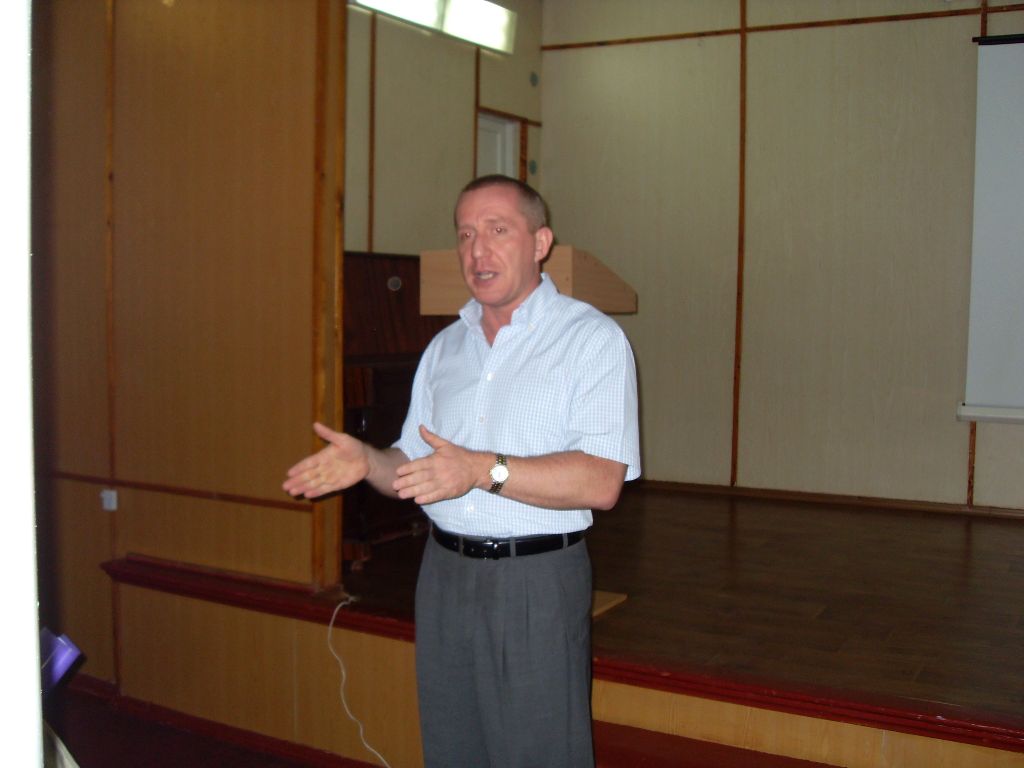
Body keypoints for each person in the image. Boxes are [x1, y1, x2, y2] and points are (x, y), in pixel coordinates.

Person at [283, 174, 641, 768]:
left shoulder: (591, 340)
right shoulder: (445, 347)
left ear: (541, 243)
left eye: (498, 230)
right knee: (453, 749)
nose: (478, 250)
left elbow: (601, 481)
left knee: (540, 755)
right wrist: (368, 461)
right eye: (466, 234)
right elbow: (412, 465)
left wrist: (480, 469)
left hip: (535, 580)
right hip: (444, 574)